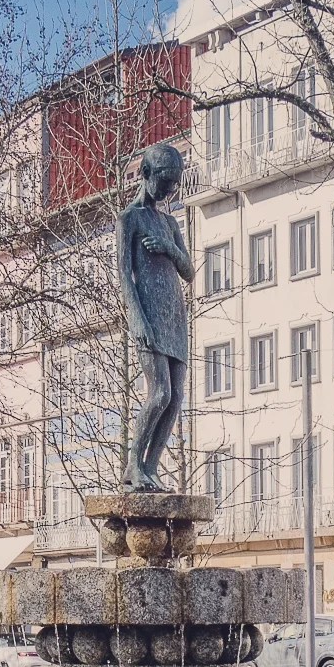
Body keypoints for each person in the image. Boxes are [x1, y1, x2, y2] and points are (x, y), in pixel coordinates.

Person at [117, 142, 193, 491]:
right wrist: (136, 319)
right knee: (159, 393)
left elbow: (189, 271)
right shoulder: (130, 219)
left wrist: (169, 248)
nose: (169, 191)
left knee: (176, 398)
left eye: (174, 185)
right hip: (148, 315)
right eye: (165, 184)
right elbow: (124, 275)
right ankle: (133, 465)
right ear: (146, 175)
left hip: (175, 316)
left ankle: (151, 466)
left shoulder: (169, 222)